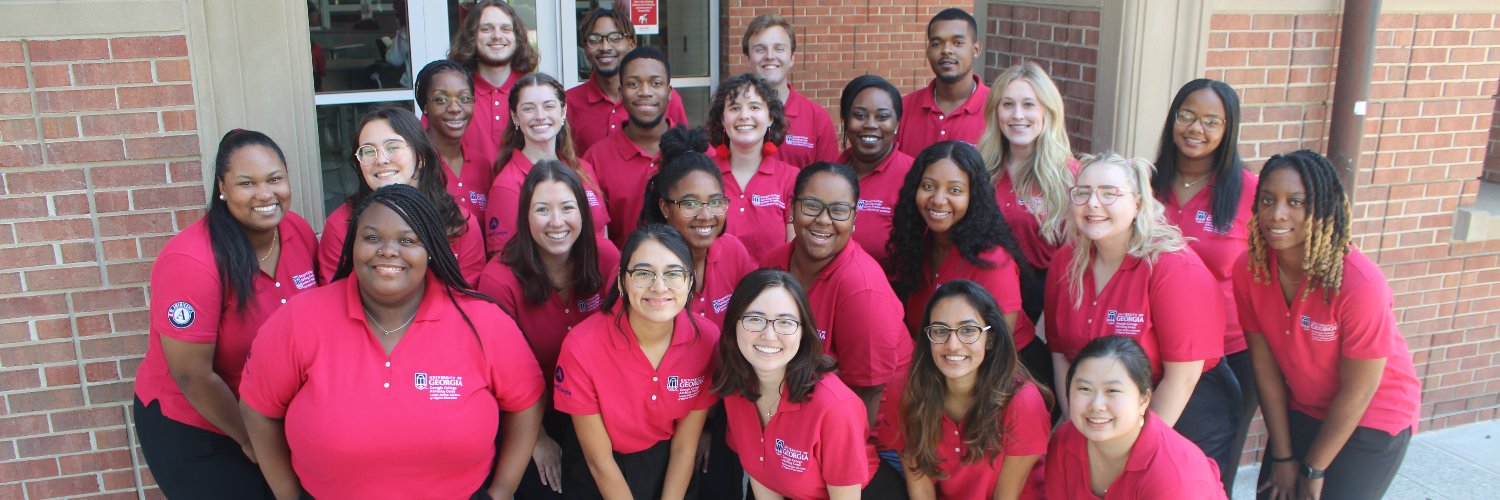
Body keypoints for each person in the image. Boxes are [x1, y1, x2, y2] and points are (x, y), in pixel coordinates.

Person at [240, 184, 546, 499]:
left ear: (431, 249)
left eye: (407, 240)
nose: (387, 250)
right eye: (372, 238)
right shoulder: (299, 320)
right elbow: (258, 410)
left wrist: (503, 490)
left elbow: (527, 402)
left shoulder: (483, 322)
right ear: (352, 245)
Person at [132, 130, 316, 499]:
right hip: (201, 427)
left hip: (273, 418)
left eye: (275, 179)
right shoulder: (191, 262)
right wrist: (252, 440)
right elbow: (192, 373)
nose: (265, 194)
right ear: (222, 187)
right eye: (246, 183)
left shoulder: (296, 231)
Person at [1234, 150, 1420, 500]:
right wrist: (1284, 456)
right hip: (1304, 406)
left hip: (1372, 416)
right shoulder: (1249, 271)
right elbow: (1264, 366)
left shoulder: (1359, 284)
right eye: (1268, 200)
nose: (1277, 214)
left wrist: (1313, 467)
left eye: (1296, 202)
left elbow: (1360, 390)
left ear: (1321, 207)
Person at [1043, 153, 1242, 476]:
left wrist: (1131, 452)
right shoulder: (1065, 263)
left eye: (1109, 193)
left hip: (1183, 407)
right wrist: (1082, 428)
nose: (1093, 203)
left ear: (1137, 203)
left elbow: (1184, 376)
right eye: (1082, 192)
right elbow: (1061, 356)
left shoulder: (1173, 267)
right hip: (1104, 409)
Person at [475, 160, 620, 499]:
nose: (557, 222)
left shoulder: (607, 257)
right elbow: (502, 377)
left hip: (598, 409)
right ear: (525, 216)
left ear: (583, 213)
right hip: (528, 414)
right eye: (542, 209)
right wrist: (536, 439)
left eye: (567, 208)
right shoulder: (500, 279)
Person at [552, 225, 720, 499]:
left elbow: (685, 447)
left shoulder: (706, 339)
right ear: (621, 281)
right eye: (643, 273)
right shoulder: (582, 345)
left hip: (669, 465)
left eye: (673, 274)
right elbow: (599, 461)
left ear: (690, 282)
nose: (659, 287)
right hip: (601, 470)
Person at [1151, 78, 1259, 494]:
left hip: (1230, 353)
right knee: (1157, 458)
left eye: (1211, 121)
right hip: (1158, 350)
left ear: (1228, 130)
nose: (1196, 129)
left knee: (1212, 465)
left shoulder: (1250, 191)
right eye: (1187, 116)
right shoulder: (1145, 184)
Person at [760, 162, 911, 450]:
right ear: (792, 208)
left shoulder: (861, 288)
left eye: (839, 211)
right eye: (812, 206)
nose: (824, 220)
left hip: (875, 439)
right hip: (800, 413)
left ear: (854, 218)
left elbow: (867, 392)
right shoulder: (773, 263)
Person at [713, 269, 886, 500]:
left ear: (803, 332)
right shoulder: (736, 387)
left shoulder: (835, 407)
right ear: (734, 325)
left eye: (785, 322)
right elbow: (761, 473)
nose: (769, 334)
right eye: (755, 319)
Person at [887, 141, 1043, 386]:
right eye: (928, 186)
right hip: (946, 370)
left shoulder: (992, 261)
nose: (938, 199)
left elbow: (998, 351)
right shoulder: (917, 246)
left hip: (1004, 378)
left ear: (974, 197)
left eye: (955, 190)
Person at [896, 280, 1051, 500]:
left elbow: (1006, 496)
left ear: (990, 339)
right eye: (940, 330)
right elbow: (921, 492)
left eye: (968, 330)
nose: (952, 345)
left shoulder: (1022, 401)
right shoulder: (914, 396)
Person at [317, 107, 486, 285]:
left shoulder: (460, 223)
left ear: (421, 157)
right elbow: (335, 299)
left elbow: (469, 300)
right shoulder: (340, 225)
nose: (381, 160)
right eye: (368, 151)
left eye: (393, 147)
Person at [1045, 336, 1227, 499]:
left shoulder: (1175, 477)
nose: (1096, 404)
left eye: (1112, 391)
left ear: (1144, 400)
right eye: (1084, 389)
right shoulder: (1065, 440)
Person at [979, 62, 1078, 324]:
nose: (1017, 115)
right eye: (1008, 104)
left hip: (1042, 307)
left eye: (1029, 104)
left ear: (1047, 111)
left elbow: (1078, 257)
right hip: (983, 297)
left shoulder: (1070, 176)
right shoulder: (979, 168)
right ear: (995, 111)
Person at [640, 125, 758, 328]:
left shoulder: (733, 252)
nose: (705, 215)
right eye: (690, 204)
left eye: (715, 202)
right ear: (665, 208)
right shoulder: (642, 264)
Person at [485, 73, 611, 256]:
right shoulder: (507, 185)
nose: (540, 116)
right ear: (515, 117)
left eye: (549, 106)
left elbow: (602, 235)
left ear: (563, 111)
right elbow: (505, 260)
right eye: (529, 109)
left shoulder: (583, 169)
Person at [586, 47, 680, 249]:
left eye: (656, 83)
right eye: (633, 84)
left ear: (669, 92)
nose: (645, 92)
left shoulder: (696, 152)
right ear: (620, 92)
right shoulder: (596, 159)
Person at [566, 8, 689, 153]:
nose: (605, 47)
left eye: (615, 38)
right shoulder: (569, 102)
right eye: (594, 39)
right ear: (585, 47)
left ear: (631, 43)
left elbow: (685, 153)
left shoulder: (664, 98)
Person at [708, 73, 799, 257]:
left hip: (770, 284)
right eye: (734, 108)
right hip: (715, 285)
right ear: (722, 120)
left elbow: (794, 252)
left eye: (754, 107)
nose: (744, 115)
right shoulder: (703, 173)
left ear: (771, 118)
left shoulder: (791, 178)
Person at [448, 0, 538, 170]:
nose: (497, 35)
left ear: (517, 37)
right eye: (486, 29)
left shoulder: (535, 92)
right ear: (472, 36)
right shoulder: (453, 94)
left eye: (505, 29)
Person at [741, 13, 839, 168]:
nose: (770, 56)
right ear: (747, 58)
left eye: (779, 48)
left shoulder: (818, 119)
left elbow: (830, 181)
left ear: (792, 57)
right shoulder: (732, 117)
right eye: (760, 49)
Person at [837, 74, 913, 268]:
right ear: (845, 119)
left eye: (882, 117)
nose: (870, 124)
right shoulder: (831, 173)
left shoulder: (914, 177)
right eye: (860, 116)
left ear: (897, 124)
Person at [897, 8, 987, 158]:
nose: (946, 50)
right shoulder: (904, 108)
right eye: (937, 43)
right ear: (928, 51)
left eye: (958, 42)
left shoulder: (997, 108)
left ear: (976, 49)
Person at [416, 60, 492, 221]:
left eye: (464, 98)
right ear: (425, 106)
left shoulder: (482, 165)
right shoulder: (414, 162)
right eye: (441, 100)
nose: (455, 108)